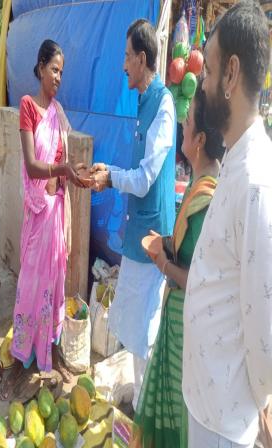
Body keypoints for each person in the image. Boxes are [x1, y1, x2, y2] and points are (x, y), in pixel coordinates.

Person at [182, 2, 272, 446]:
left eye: (210, 71)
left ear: (231, 74)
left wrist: (265, 400)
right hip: (208, 401)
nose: (203, 83)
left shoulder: (256, 182)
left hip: (225, 418)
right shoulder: (237, 160)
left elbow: (264, 317)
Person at [90, 19, 177, 410]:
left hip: (151, 238)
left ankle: (145, 408)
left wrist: (110, 178)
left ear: (142, 59)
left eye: (127, 56)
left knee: (144, 328)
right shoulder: (144, 102)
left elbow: (143, 180)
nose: (123, 65)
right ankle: (140, 395)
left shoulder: (164, 105)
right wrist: (108, 171)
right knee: (131, 320)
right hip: (137, 233)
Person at [133, 85, 223, 448]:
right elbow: (193, 251)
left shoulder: (206, 199)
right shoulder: (201, 182)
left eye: (187, 122)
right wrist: (170, 243)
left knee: (177, 415)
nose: (182, 125)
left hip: (188, 325)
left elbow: (199, 279)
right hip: (182, 317)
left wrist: (162, 263)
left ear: (199, 140)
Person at [3, 40, 84, 397]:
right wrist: (62, 169)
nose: (58, 77)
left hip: (57, 212)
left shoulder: (59, 113)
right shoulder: (28, 107)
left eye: (62, 72)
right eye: (54, 69)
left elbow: (62, 163)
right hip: (38, 215)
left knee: (55, 284)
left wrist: (74, 174)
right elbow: (33, 166)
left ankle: (51, 349)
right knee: (30, 287)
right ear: (39, 68)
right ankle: (22, 360)